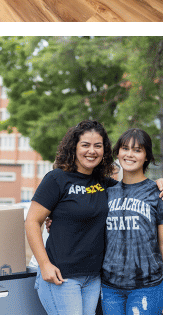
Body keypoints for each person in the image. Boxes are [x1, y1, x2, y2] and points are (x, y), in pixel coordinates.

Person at [25, 120, 116, 315]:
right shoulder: (57, 179)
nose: (92, 151)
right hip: (61, 276)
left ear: (104, 151)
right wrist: (45, 264)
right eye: (85, 145)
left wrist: (159, 183)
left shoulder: (104, 183)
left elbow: (135, 187)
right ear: (74, 147)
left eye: (97, 146)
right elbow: (32, 222)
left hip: (92, 277)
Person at [101, 128, 163, 315]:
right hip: (109, 286)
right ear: (117, 153)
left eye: (137, 150)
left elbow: (165, 243)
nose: (129, 154)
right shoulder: (107, 192)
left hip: (147, 285)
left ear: (146, 157)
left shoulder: (158, 193)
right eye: (125, 148)